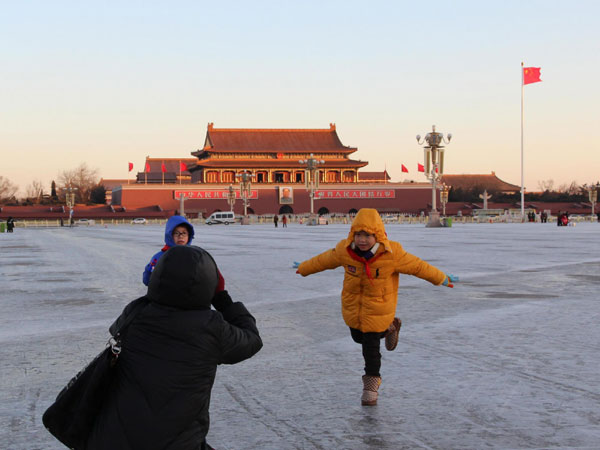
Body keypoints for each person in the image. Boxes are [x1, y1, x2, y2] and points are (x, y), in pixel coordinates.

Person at [86, 245, 263, 450]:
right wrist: (222, 298)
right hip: (179, 442)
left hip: (112, 438)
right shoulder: (211, 328)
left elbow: (117, 327)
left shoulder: (136, 313)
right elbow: (252, 340)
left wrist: (159, 290)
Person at [293, 208, 458, 406]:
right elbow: (324, 260)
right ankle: (391, 327)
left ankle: (370, 387)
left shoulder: (391, 253)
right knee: (357, 338)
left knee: (370, 349)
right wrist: (304, 268)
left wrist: (441, 278)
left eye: (368, 236)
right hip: (354, 308)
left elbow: (419, 267)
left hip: (379, 308)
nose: (362, 240)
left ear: (377, 236)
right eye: (358, 235)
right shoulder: (345, 251)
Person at [143, 215, 194, 286]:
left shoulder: (194, 257)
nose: (181, 236)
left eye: (184, 233)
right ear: (169, 235)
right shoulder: (160, 257)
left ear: (189, 235)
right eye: (176, 233)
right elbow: (147, 280)